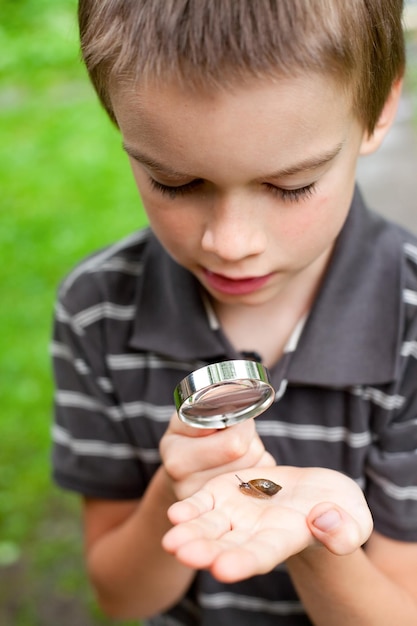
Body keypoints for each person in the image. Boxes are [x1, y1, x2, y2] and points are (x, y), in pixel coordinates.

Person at [51, 1, 417, 624]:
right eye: (175, 182)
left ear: (378, 110)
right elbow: (119, 596)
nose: (231, 241)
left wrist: (315, 537)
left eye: (290, 185)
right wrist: (177, 487)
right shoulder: (98, 310)